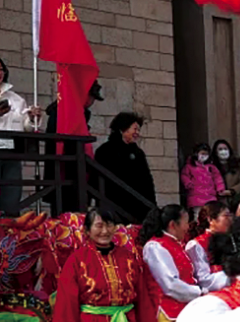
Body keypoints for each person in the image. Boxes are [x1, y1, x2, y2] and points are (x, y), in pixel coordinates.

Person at [44, 78, 102, 214]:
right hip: (67, 174)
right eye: (91, 97)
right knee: (65, 215)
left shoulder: (80, 113)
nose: (92, 102)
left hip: (79, 174)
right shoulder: (62, 112)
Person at [95, 112, 157, 222]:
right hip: (115, 206)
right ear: (123, 129)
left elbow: (147, 180)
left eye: (138, 130)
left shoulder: (138, 153)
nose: (137, 133)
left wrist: (152, 206)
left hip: (139, 207)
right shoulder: (105, 151)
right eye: (134, 129)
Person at [0, 58, 42, 215]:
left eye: (0, 69)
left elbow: (27, 128)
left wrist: (32, 118)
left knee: (11, 196)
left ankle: (9, 232)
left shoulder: (17, 100)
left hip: (12, 151)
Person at [185, 201, 233, 293]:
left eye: (230, 215)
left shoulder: (232, 239)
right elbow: (203, 279)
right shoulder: (197, 244)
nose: (230, 219)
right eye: (226, 216)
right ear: (211, 220)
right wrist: (232, 275)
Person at [179, 143, 225, 209]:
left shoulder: (211, 167)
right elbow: (184, 176)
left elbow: (218, 179)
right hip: (196, 197)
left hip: (210, 197)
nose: (204, 156)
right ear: (196, 153)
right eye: (202, 153)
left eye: (206, 154)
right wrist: (188, 183)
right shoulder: (189, 167)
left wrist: (220, 189)